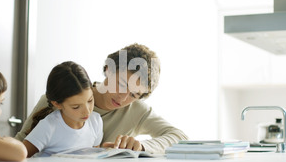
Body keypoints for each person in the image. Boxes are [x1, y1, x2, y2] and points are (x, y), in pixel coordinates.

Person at [16, 43, 188, 154]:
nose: (123, 97)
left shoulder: (137, 111)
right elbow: (20, 144)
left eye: (134, 94)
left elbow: (179, 137)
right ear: (108, 70)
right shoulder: (61, 97)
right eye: (121, 84)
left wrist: (142, 146)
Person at [23, 61, 103, 157]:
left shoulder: (96, 121)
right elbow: (20, 155)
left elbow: (95, 157)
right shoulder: (48, 126)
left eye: (90, 100)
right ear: (57, 104)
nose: (87, 111)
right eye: (76, 107)